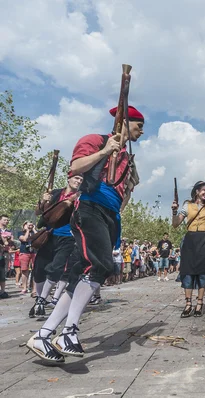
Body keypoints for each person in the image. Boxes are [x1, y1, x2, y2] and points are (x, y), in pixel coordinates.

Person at [27, 105, 144, 363]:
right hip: (90, 209)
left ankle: (44, 335)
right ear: (124, 121)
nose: (142, 131)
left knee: (80, 275)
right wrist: (104, 151)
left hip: (109, 215)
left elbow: (122, 196)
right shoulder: (96, 140)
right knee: (98, 267)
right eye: (138, 125)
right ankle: (69, 331)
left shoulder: (126, 157)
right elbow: (76, 167)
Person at [29, 172, 83, 317]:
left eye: (81, 179)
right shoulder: (55, 193)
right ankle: (39, 302)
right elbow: (38, 213)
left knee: (56, 269)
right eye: (76, 178)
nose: (79, 181)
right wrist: (43, 201)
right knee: (39, 270)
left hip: (68, 238)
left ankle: (41, 300)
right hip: (49, 236)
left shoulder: (81, 197)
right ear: (69, 178)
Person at [171, 181, 205, 318]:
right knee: (187, 272)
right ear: (197, 191)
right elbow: (176, 224)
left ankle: (199, 304)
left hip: (204, 240)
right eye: (203, 190)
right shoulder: (187, 205)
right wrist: (174, 211)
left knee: (203, 272)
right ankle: (188, 304)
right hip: (190, 240)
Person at [18, 221, 37, 295]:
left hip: (34, 252)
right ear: (24, 225)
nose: (30, 226)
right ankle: (24, 287)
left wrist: (34, 229)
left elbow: (38, 237)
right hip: (24, 252)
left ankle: (34, 289)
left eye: (31, 225)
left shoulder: (34, 232)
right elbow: (24, 239)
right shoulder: (20, 232)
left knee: (35, 270)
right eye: (28, 225)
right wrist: (27, 231)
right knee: (24, 270)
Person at [0, 214, 12, 299]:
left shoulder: (9, 231)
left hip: (4, 253)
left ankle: (2, 291)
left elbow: (10, 243)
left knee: (3, 272)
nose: (6, 221)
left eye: (7, 220)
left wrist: (8, 240)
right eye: (4, 220)